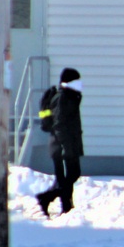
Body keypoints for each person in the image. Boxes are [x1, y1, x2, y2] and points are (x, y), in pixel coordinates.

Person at [36, 67, 84, 217]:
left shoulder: (70, 96)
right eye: (76, 81)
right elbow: (59, 124)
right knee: (68, 177)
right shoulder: (62, 98)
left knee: (69, 176)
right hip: (61, 145)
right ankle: (47, 199)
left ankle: (66, 206)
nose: (80, 84)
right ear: (68, 82)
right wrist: (65, 146)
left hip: (67, 144)